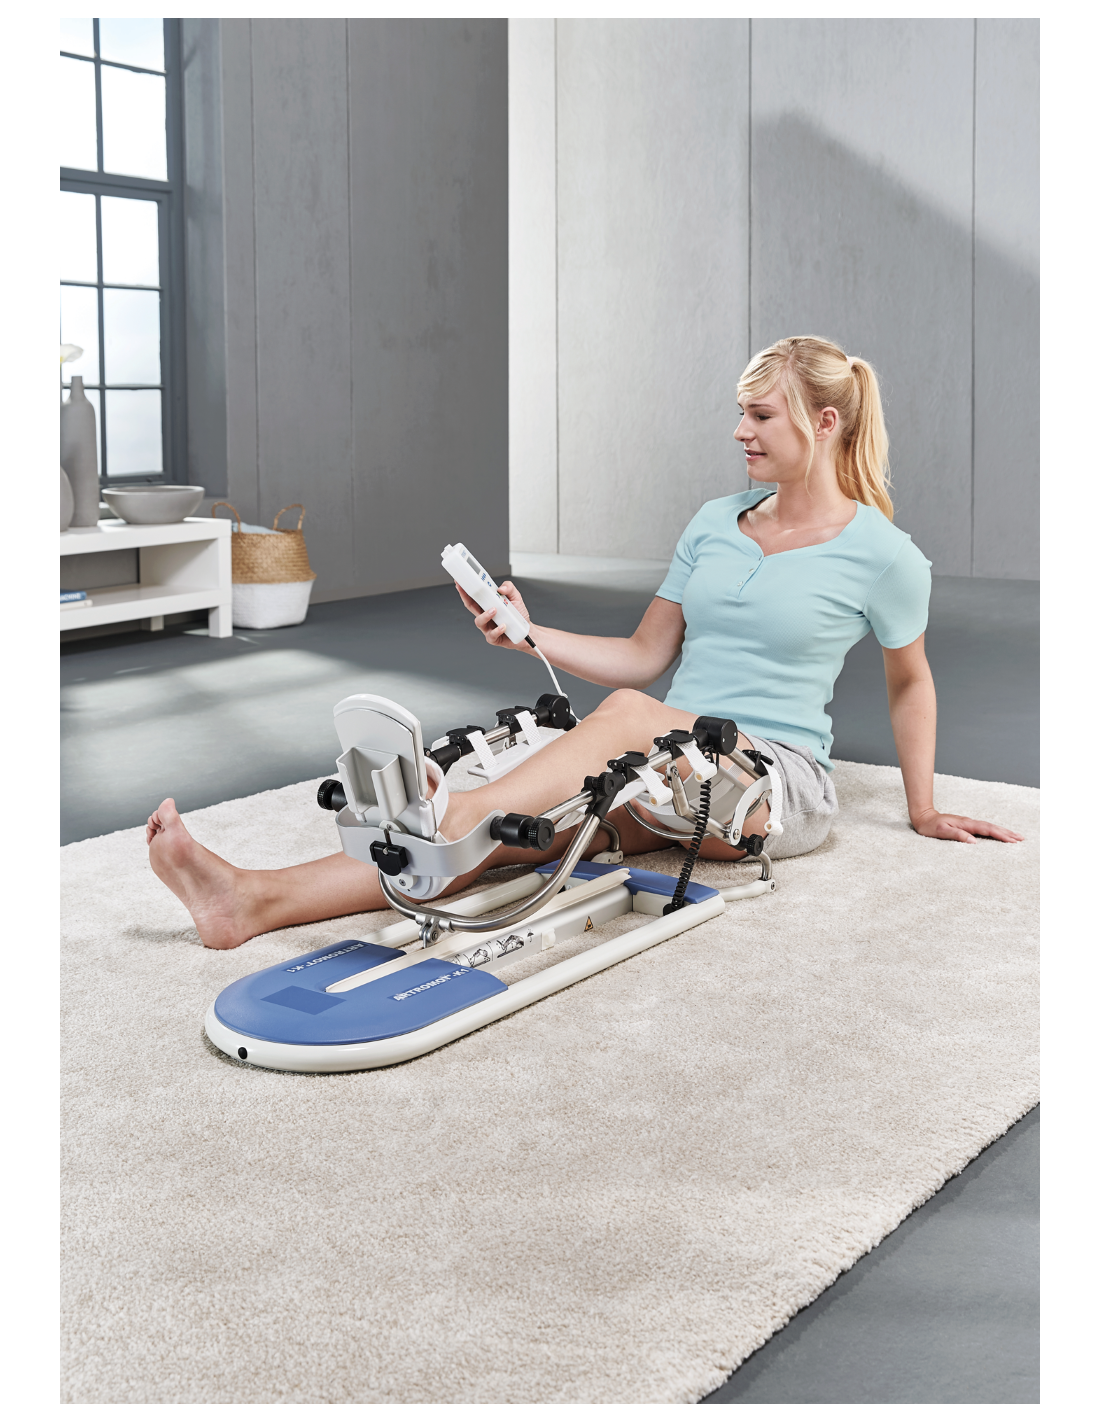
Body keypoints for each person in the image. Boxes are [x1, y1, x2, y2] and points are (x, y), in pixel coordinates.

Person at [147, 336, 1021, 949]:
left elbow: (911, 680)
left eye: (760, 415)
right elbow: (645, 653)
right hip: (663, 765)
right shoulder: (714, 522)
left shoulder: (884, 554)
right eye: (739, 413)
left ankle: (449, 814)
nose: (739, 431)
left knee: (597, 736)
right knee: (526, 831)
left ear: (825, 424)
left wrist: (923, 808)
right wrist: (529, 634)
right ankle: (252, 901)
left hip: (774, 782)